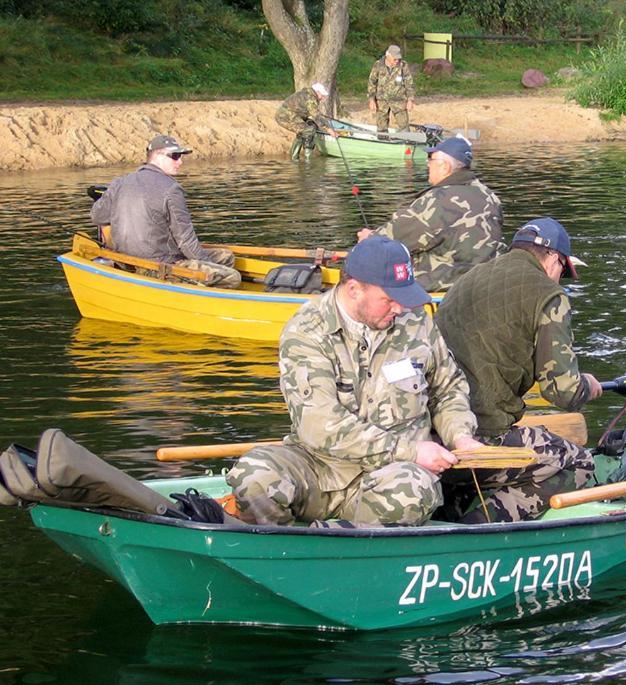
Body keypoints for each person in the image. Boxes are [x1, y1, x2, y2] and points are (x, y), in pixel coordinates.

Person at [225, 236, 483, 527]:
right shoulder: (307, 331)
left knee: (411, 491)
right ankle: (285, 551)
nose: (399, 308)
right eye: (388, 299)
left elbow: (448, 388)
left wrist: (460, 435)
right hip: (319, 468)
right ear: (353, 290)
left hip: (392, 474)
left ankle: (332, 543)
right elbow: (318, 425)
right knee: (254, 476)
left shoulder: (416, 322)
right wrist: (410, 450)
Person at [435, 217, 603, 524]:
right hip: (483, 436)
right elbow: (562, 391)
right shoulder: (548, 296)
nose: (559, 280)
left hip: (435, 434)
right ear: (554, 258)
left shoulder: (468, 279)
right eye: (563, 271)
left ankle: (447, 510)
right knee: (579, 463)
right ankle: (482, 524)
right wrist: (586, 386)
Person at [90, 134, 241, 289]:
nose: (180, 161)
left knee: (227, 257)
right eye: (175, 156)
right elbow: (185, 240)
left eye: (181, 156)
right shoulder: (171, 189)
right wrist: (204, 263)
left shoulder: (119, 183)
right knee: (232, 277)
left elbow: (97, 217)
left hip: (126, 262)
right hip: (160, 267)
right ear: (157, 156)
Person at [355, 136, 504, 292]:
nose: (427, 164)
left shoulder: (436, 200)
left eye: (431, 159)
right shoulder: (489, 196)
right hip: (487, 279)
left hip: (446, 285)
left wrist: (369, 238)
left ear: (445, 167)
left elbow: (395, 237)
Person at [275, 82, 337, 159]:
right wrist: (329, 129)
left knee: (311, 126)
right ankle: (307, 159)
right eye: (322, 95)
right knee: (308, 130)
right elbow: (316, 115)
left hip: (294, 115)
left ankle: (294, 157)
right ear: (317, 92)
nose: (322, 98)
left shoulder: (309, 95)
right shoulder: (310, 97)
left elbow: (313, 113)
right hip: (285, 117)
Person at [368, 44, 415, 133]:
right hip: (382, 102)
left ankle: (404, 143)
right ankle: (383, 143)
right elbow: (372, 82)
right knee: (381, 128)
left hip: (399, 101)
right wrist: (371, 100)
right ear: (388, 56)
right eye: (395, 59)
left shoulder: (403, 65)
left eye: (398, 58)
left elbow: (409, 83)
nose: (397, 61)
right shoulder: (378, 65)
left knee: (404, 127)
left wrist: (410, 100)